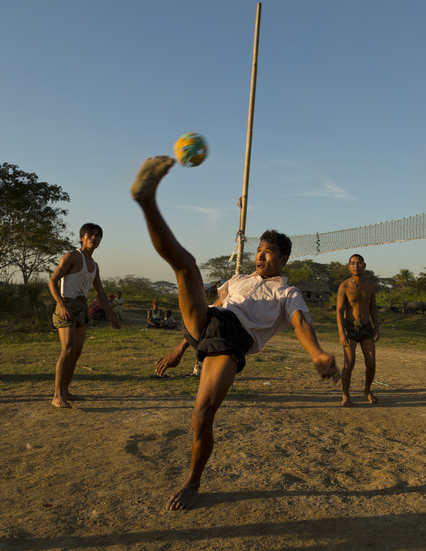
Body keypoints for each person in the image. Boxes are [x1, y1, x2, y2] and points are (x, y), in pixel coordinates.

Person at [131, 155, 339, 511]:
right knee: (186, 266)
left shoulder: (286, 293)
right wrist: (182, 347)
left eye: (268, 253)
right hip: (211, 321)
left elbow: (301, 323)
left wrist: (317, 354)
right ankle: (147, 200)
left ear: (283, 259)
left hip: (233, 339)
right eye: (258, 251)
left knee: (201, 416)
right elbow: (210, 313)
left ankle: (193, 482)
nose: (260, 257)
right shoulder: (238, 279)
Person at [48, 223, 121, 408]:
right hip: (67, 304)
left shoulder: (94, 266)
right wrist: (61, 304)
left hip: (82, 308)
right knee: (68, 348)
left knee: (77, 352)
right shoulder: (72, 256)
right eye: (90, 235)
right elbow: (53, 281)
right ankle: (56, 395)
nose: (94, 238)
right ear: (82, 237)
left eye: (98, 235)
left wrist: (112, 314)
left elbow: (100, 293)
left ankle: (65, 391)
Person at [335, 253, 380, 406]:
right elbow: (339, 311)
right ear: (349, 267)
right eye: (353, 263)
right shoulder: (344, 286)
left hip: (366, 327)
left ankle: (367, 390)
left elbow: (373, 308)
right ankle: (345, 395)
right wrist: (341, 333)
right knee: (349, 363)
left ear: (364, 265)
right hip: (350, 328)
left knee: (371, 362)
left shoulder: (371, 285)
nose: (356, 266)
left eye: (359, 263)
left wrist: (376, 328)